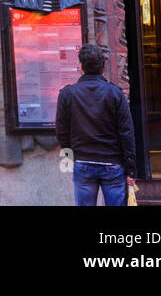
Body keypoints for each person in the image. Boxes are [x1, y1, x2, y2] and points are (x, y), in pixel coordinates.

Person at [55, 43, 137, 206]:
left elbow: (62, 130)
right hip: (113, 163)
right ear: (103, 67)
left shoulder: (68, 93)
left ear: (81, 67)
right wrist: (131, 167)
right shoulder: (115, 93)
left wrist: (71, 152)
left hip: (84, 161)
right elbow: (126, 132)